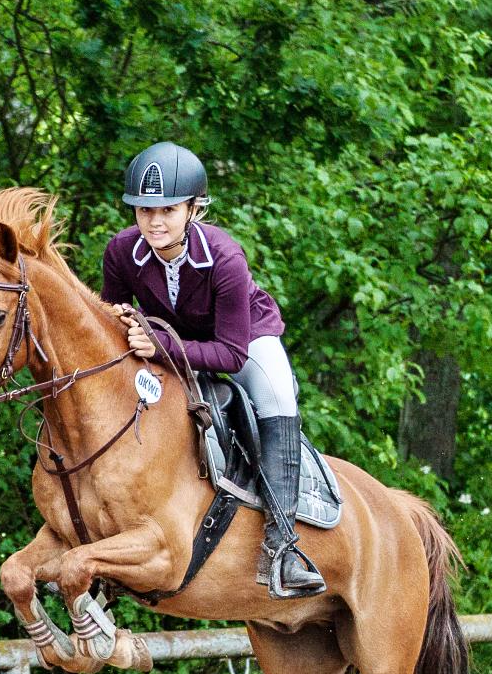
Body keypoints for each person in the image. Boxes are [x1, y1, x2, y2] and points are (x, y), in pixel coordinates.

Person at [100, 141, 325, 599]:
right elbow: (111, 323)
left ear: (193, 209)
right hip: (171, 343)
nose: (154, 221)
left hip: (243, 338)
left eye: (168, 210)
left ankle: (282, 548)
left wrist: (161, 346)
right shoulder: (121, 252)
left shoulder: (225, 258)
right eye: (144, 210)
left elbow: (230, 355)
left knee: (277, 394)